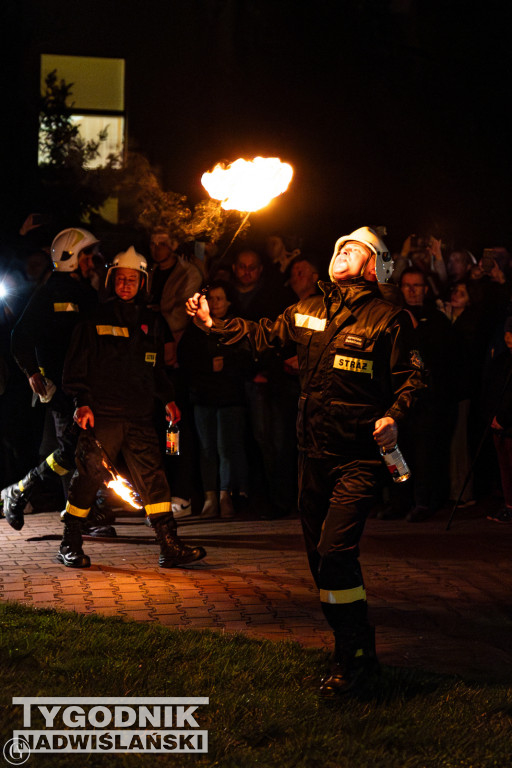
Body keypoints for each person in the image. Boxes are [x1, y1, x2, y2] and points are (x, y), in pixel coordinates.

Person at [186, 226, 424, 697]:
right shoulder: (309, 309)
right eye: (339, 248)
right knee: (321, 564)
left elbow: (413, 380)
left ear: (373, 266)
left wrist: (395, 416)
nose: (342, 253)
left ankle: (355, 660)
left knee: (336, 555)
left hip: (358, 460)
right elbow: (261, 337)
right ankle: (354, 650)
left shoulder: (389, 318)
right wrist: (213, 324)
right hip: (311, 456)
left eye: (354, 250)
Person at [59, 246, 207, 569]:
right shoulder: (93, 319)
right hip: (103, 416)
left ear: (143, 282)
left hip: (139, 416)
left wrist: (167, 398)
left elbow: (156, 369)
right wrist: (82, 402)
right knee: (88, 477)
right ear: (112, 280)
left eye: (133, 280)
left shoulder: (152, 321)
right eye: (121, 279)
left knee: (154, 479)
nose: (126, 285)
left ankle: (169, 545)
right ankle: (69, 542)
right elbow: (75, 367)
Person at [1, 227, 103, 532]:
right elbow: (20, 336)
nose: (93, 260)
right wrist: (32, 371)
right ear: (72, 257)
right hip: (61, 389)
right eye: (87, 254)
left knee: (74, 451)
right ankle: (82, 514)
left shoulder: (88, 293)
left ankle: (22, 492)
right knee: (74, 451)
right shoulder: (48, 294)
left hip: (86, 388)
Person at [178, 280, 251, 519]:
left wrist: (224, 364)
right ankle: (210, 496)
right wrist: (209, 365)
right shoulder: (195, 328)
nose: (216, 303)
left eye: (220, 298)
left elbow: (245, 356)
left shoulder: (235, 326)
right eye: (212, 299)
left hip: (230, 397)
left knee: (226, 446)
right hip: (203, 396)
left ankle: (225, 495)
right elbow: (186, 358)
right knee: (207, 448)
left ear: (229, 301)